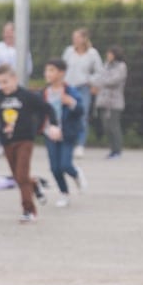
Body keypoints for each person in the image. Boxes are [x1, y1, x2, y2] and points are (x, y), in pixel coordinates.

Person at [0, 64, 52, 223]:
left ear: (15, 79)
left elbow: (47, 108)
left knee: (22, 175)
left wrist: (47, 126)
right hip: (7, 141)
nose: (3, 86)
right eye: (0, 83)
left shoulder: (26, 96)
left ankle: (29, 210)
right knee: (19, 177)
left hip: (25, 140)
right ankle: (34, 185)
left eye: (6, 82)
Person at [41, 58, 86, 208]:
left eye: (52, 70)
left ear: (61, 73)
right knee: (55, 168)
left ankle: (76, 174)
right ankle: (64, 193)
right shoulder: (44, 93)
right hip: (50, 134)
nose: (48, 73)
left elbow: (81, 111)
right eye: (47, 70)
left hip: (67, 133)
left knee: (65, 164)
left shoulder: (70, 91)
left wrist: (71, 102)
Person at [61, 28, 104, 157]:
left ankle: (80, 144)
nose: (75, 40)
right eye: (73, 37)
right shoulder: (69, 51)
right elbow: (62, 67)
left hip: (82, 88)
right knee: (66, 115)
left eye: (77, 37)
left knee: (82, 115)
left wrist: (90, 81)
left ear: (84, 39)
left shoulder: (92, 53)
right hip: (68, 87)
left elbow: (99, 71)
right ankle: (67, 142)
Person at [91, 45, 128, 159]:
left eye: (110, 54)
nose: (108, 56)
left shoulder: (121, 66)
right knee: (106, 127)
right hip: (103, 100)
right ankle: (112, 150)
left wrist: (100, 83)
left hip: (114, 102)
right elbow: (99, 77)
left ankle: (117, 150)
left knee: (114, 126)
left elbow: (114, 80)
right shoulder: (106, 65)